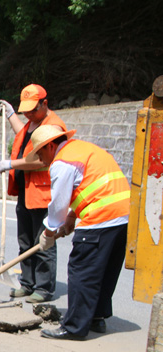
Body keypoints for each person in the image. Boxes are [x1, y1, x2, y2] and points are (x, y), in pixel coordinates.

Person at [25, 125, 130, 340]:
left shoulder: (62, 162)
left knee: (81, 271)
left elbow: (58, 206)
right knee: (103, 271)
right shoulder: (85, 149)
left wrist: (48, 234)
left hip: (100, 219)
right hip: (124, 218)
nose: (41, 160)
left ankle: (74, 327)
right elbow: (92, 186)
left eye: (41, 153)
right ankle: (97, 317)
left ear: (50, 146)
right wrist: (72, 217)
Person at [0, 84, 67, 303]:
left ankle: (44, 288)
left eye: (32, 110)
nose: (28, 115)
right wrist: (11, 115)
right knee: (25, 241)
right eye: (24, 111)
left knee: (42, 241)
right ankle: (27, 283)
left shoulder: (53, 126)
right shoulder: (33, 122)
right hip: (26, 192)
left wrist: (11, 164)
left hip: (42, 194)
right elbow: (24, 135)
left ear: (44, 104)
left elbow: (41, 159)